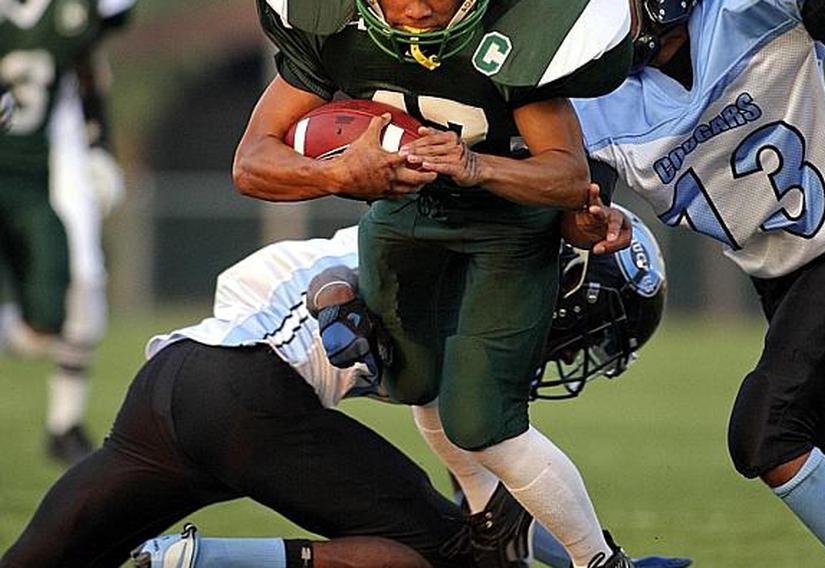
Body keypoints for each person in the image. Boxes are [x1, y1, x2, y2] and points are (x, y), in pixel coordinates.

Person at [1, 219, 684, 568]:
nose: (574, 351)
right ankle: (205, 561)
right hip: (249, 392)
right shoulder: (479, 271)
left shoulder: (466, 309)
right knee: (437, 560)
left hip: (170, 384)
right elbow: (339, 272)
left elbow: (493, 508)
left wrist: (588, 552)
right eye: (592, 330)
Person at [233, 2, 639, 566]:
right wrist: (337, 173)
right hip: (402, 219)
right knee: (413, 384)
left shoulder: (514, 30)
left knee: (481, 422)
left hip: (506, 230)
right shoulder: (335, 32)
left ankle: (597, 560)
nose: (419, 9)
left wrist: (480, 167)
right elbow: (251, 163)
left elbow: (569, 175)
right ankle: (495, 533)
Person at [572, 0, 825, 565]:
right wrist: (583, 219)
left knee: (765, 433)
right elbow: (577, 200)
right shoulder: (597, 100)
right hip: (790, 287)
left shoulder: (745, 12)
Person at [0, 0, 133, 464]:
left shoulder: (71, 13)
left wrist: (98, 142)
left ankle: (64, 423)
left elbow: (89, 64)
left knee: (83, 283)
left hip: (55, 151)